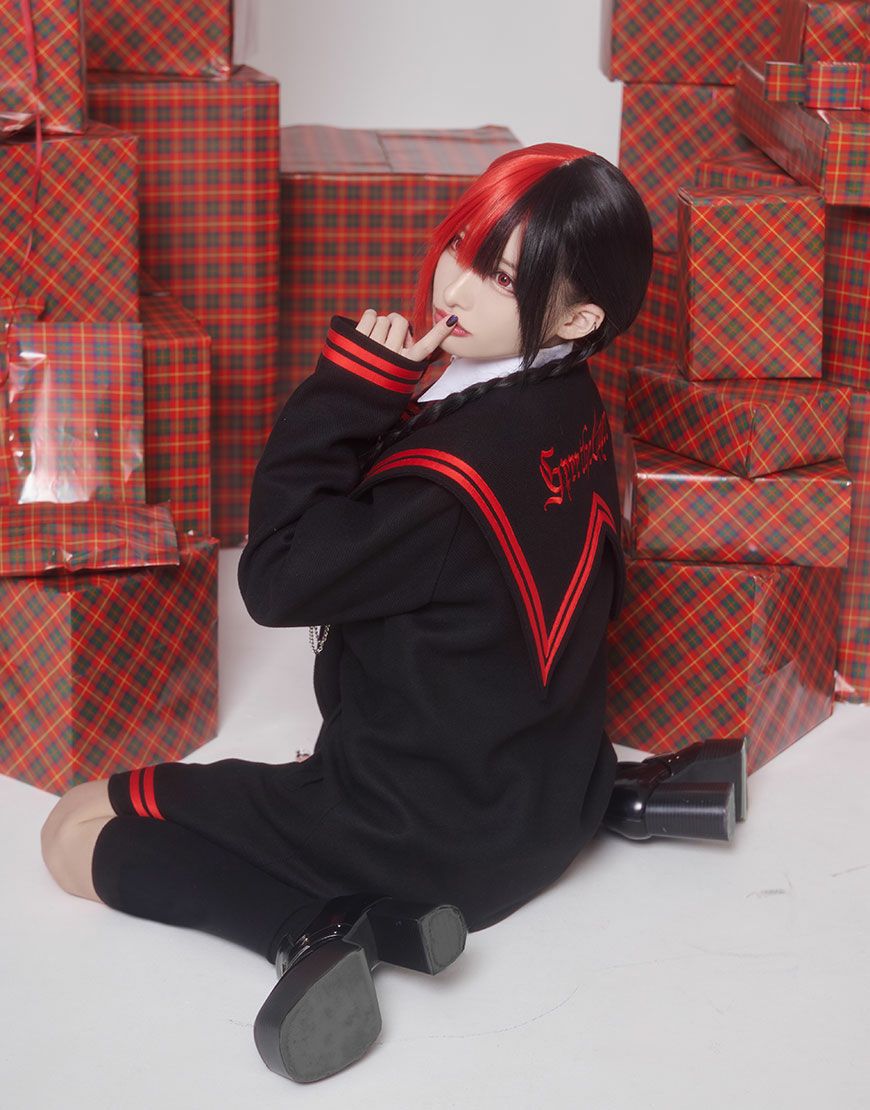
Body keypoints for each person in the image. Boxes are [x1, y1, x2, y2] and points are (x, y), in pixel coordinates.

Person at [41, 142, 671, 1083]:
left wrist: (350, 388)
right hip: (550, 803)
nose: (455, 288)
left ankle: (314, 931)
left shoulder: (445, 484)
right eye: (462, 247)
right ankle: (630, 799)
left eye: (501, 278)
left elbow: (273, 581)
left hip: (421, 837)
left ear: (579, 317)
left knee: (71, 829)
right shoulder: (571, 403)